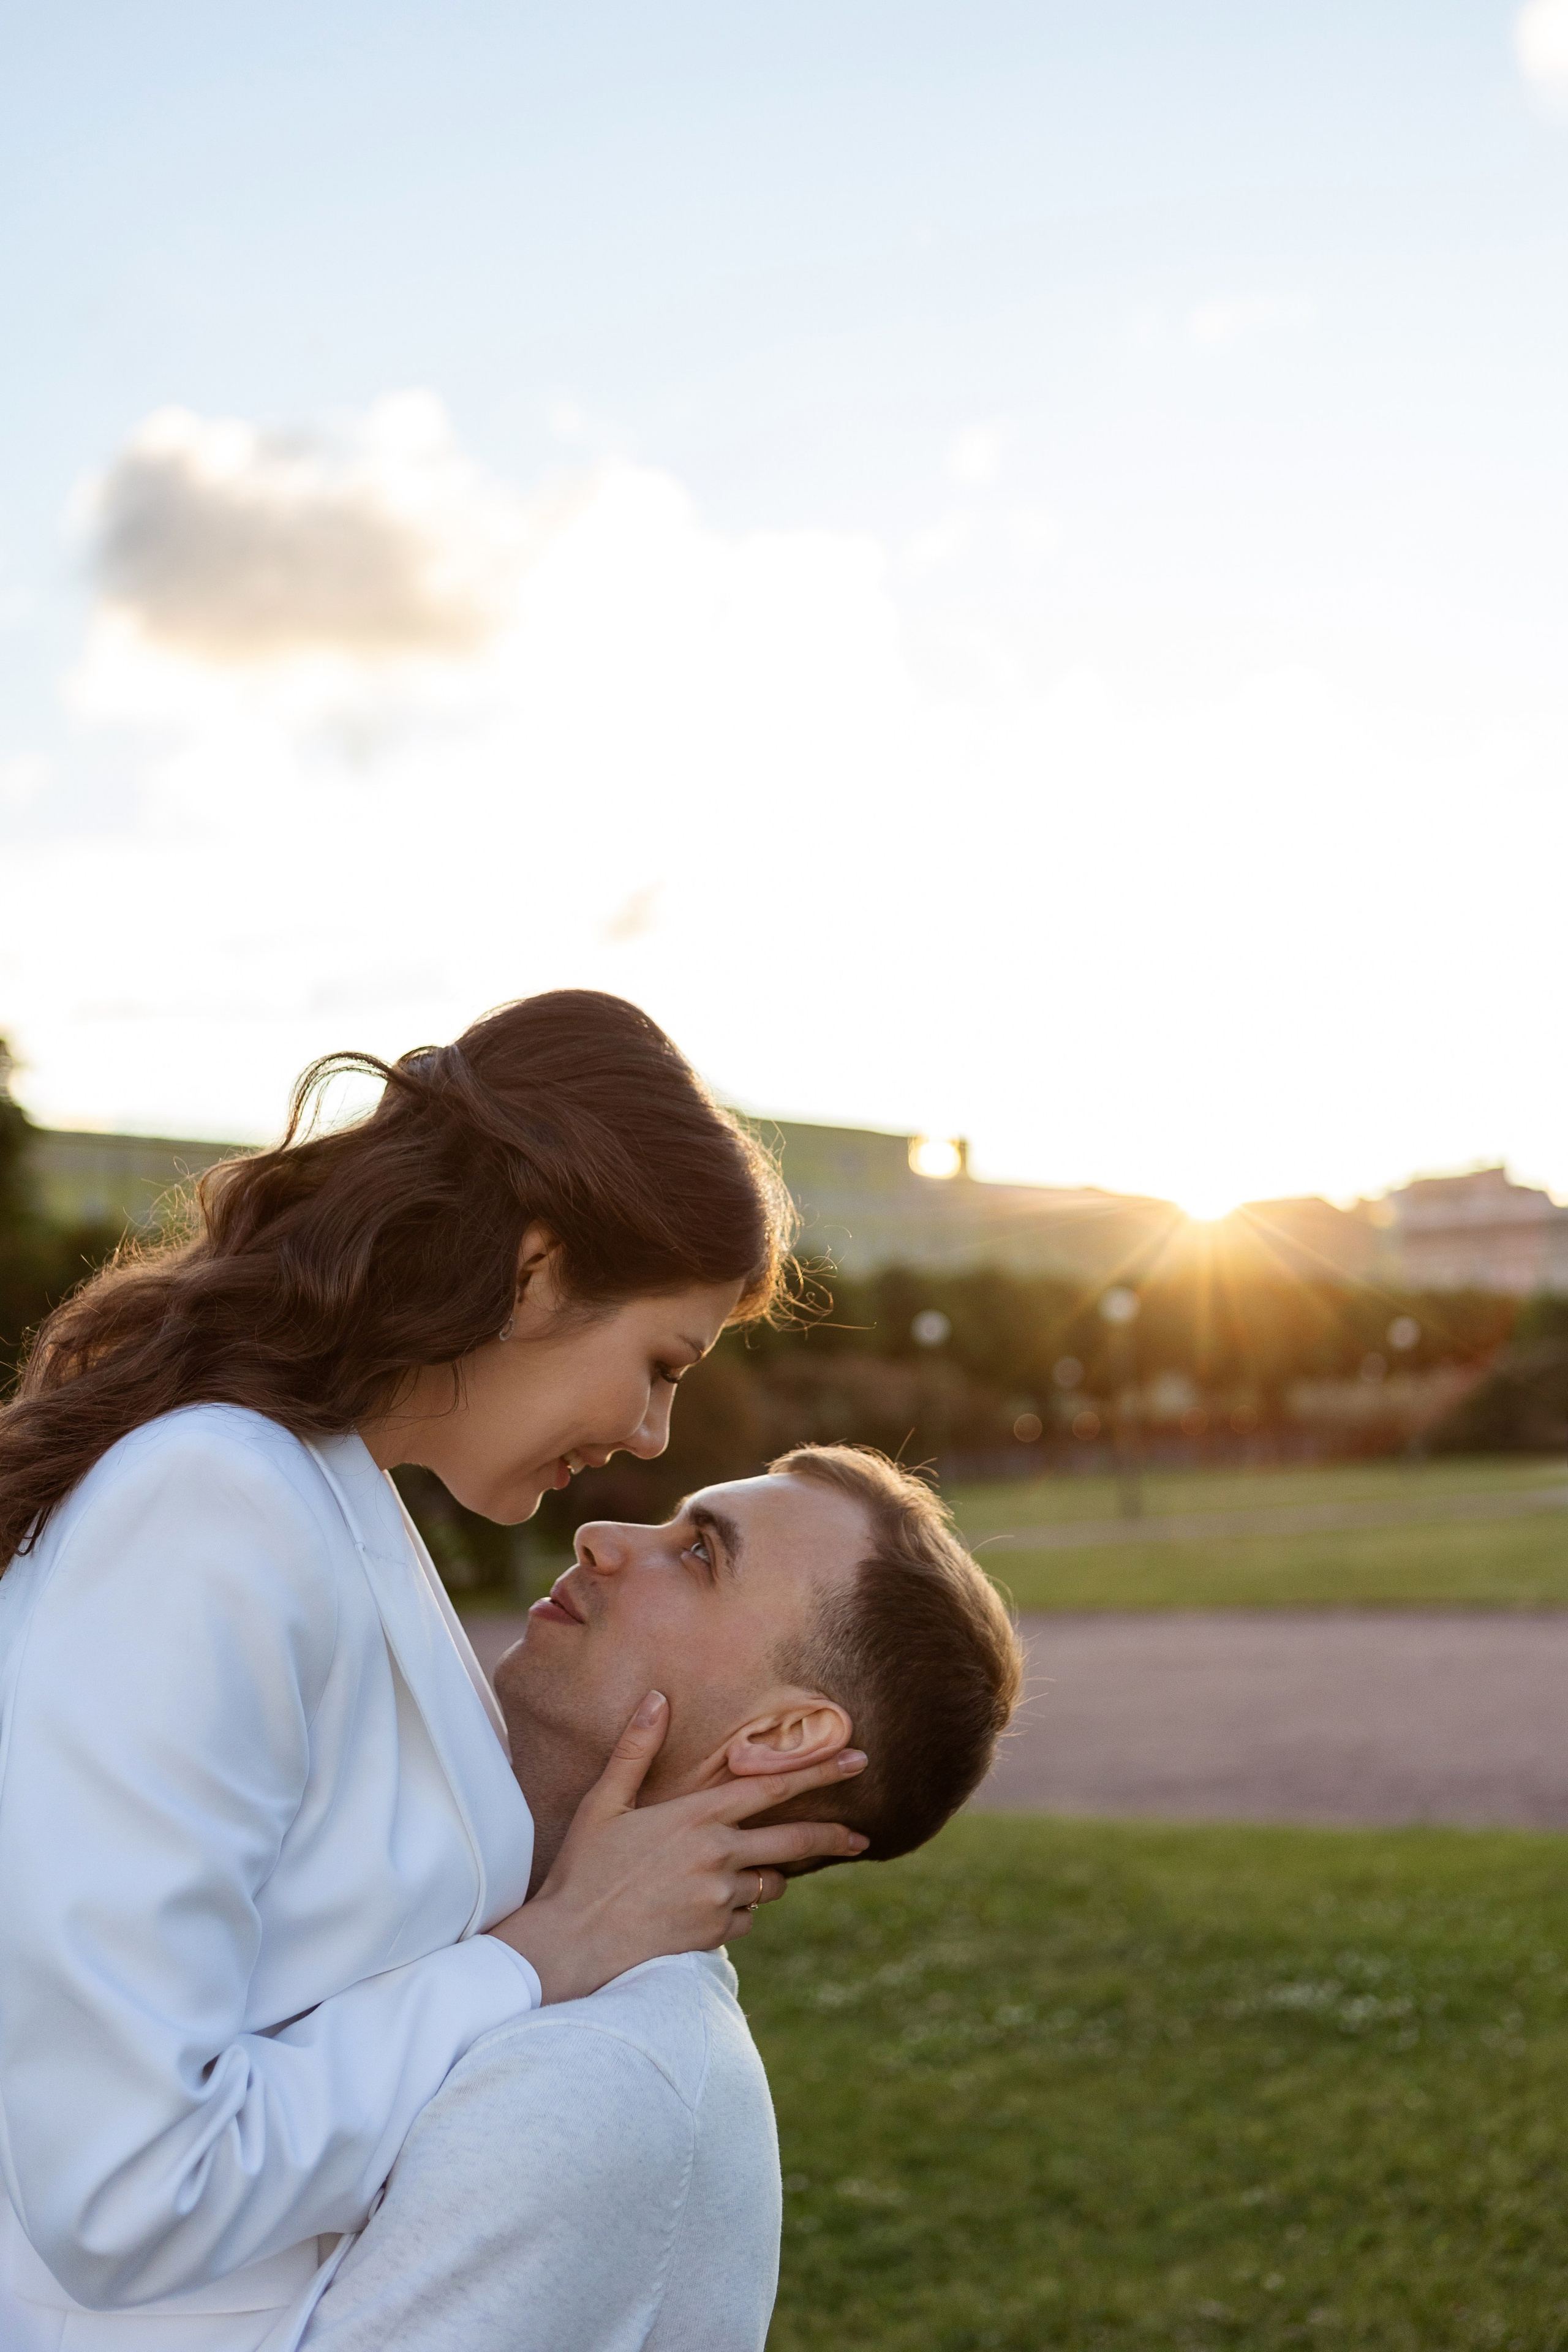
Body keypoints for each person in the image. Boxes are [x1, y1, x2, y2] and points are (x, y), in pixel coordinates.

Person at [0, 992, 866, 2352]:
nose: (651, 1434)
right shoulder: (211, 1504)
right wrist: (544, 1953)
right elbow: (126, 2195)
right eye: (656, 1363)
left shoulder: (331, 1497)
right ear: (534, 1268)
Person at [279, 1444, 1023, 2352]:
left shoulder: (596, 2074)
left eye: (702, 1554)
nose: (599, 1537)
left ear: (785, 1735)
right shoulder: (444, 1916)